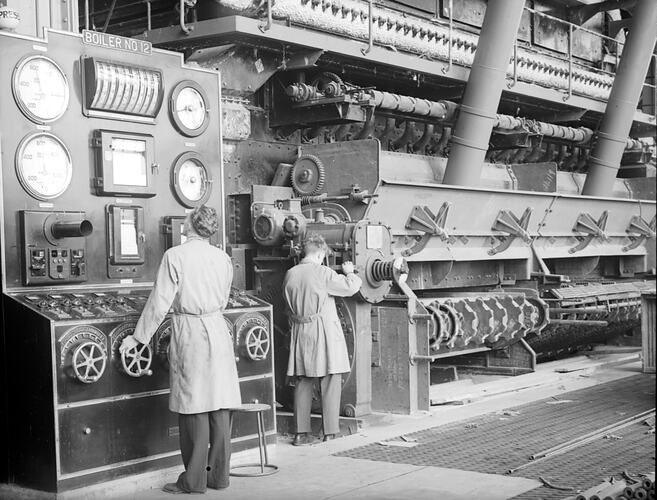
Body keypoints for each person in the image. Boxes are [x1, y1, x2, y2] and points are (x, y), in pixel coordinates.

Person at [119, 205, 240, 495]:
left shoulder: (175, 256)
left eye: (186, 217)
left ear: (193, 224)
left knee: (193, 405)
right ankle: (218, 477)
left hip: (191, 331)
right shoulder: (222, 258)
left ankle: (193, 480)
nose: (183, 221)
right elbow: (223, 299)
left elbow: (160, 302)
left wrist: (138, 339)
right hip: (217, 328)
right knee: (220, 404)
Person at [283, 233, 362, 446]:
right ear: (319, 253)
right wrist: (350, 272)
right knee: (330, 379)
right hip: (323, 331)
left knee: (302, 380)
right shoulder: (323, 272)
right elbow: (351, 287)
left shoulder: (290, 274)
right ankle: (331, 432)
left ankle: (301, 434)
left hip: (300, 331)